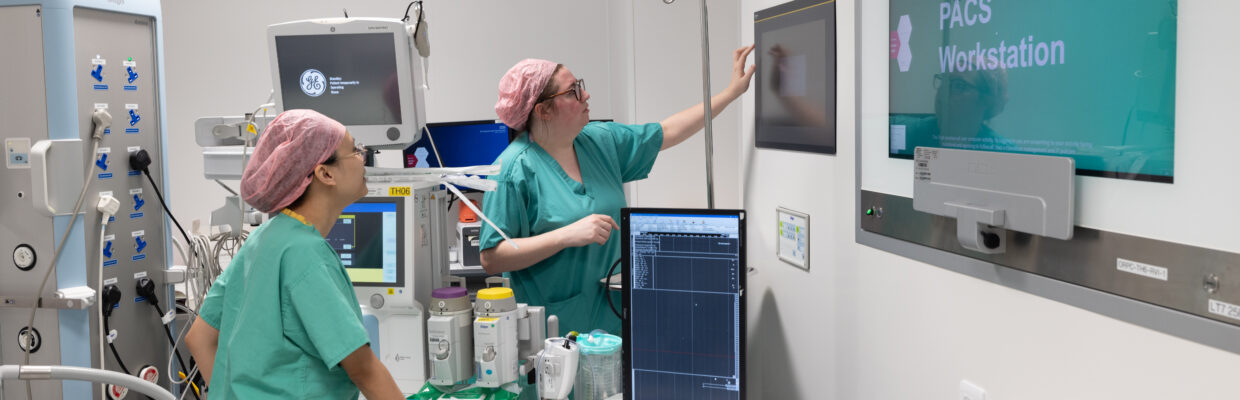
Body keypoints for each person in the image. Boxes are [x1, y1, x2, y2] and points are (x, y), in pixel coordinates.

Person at [479, 45, 757, 336]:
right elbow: (491, 257)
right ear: (543, 110)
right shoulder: (511, 170)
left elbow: (667, 131)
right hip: (554, 334)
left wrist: (730, 93)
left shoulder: (600, 141)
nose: (585, 95)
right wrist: (565, 236)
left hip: (613, 322)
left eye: (581, 86)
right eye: (572, 91)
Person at [185, 109, 403, 399]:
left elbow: (198, 337)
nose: (363, 158)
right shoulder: (307, 253)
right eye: (355, 151)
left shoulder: (263, 238)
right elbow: (364, 371)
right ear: (325, 173)